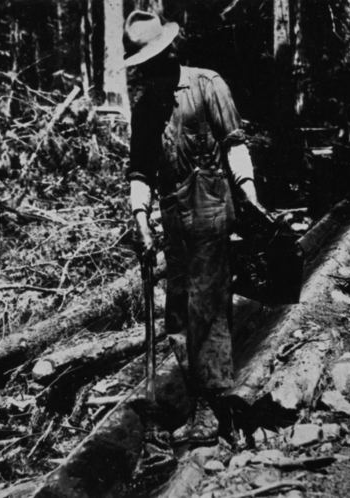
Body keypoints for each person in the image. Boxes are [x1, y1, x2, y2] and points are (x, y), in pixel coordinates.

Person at [123, 10, 269, 446]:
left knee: (208, 308)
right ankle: (201, 399)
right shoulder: (146, 109)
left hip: (210, 210)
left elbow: (234, 143)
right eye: (142, 64)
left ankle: (211, 410)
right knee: (177, 315)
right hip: (172, 219)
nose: (149, 70)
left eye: (155, 59)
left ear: (170, 51)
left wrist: (249, 194)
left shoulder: (207, 84)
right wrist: (140, 220)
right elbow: (140, 171)